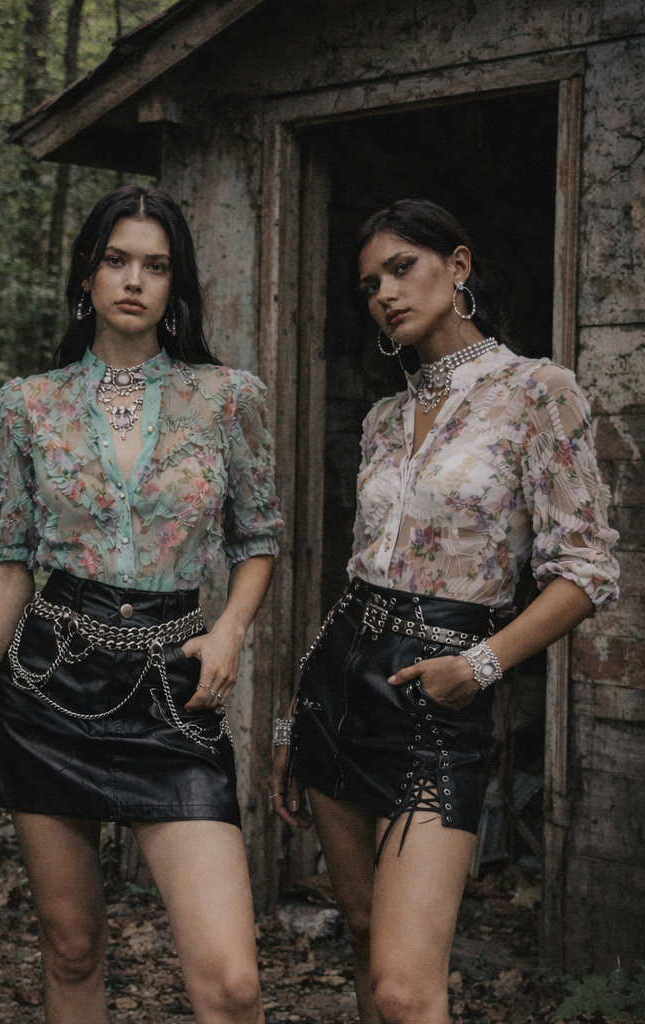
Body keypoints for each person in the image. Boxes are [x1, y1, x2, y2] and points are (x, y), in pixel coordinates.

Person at [270, 199, 620, 1024]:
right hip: (340, 687)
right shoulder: (383, 418)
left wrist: (483, 665)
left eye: (402, 268)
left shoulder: (540, 392)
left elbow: (588, 567)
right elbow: (360, 574)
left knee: (403, 985)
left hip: (442, 693)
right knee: (360, 933)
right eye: (369, 285)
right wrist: (295, 718)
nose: (385, 293)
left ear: (457, 266)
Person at [0, 184, 284, 1024]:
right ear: (88, 275)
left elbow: (259, 537)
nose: (134, 279)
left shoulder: (227, 396)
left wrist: (231, 630)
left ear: (178, 286)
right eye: (117, 259)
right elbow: (11, 560)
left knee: (234, 985)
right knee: (71, 946)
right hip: (49, 686)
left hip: (175, 693)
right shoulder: (29, 403)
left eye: (156, 265)